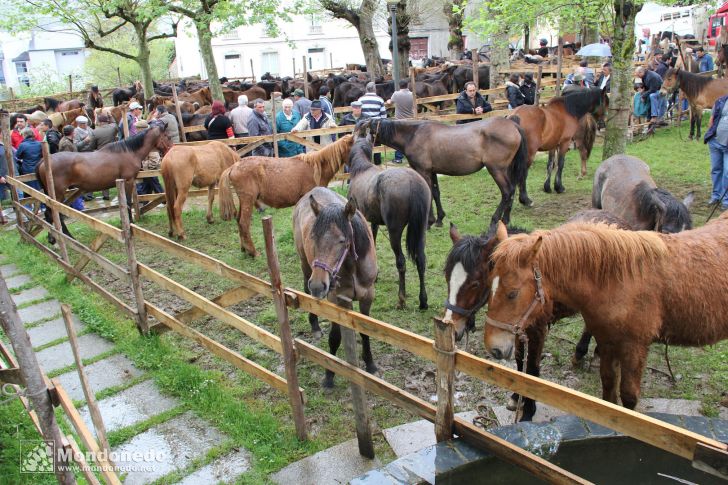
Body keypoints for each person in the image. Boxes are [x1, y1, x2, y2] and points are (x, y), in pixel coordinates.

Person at [704, 93, 728, 209]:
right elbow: (712, 119)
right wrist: (710, 134)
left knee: (727, 172)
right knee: (716, 169)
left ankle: (726, 200)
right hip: (715, 142)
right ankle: (716, 196)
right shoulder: (721, 101)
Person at [388, 79, 416, 162]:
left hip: (399, 120)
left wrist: (388, 101)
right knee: (411, 138)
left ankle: (398, 158)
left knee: (399, 139)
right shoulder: (412, 94)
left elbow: (390, 102)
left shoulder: (396, 94)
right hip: (410, 119)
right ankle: (412, 156)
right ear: (407, 85)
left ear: (399, 86)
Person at [359, 82, 387, 164]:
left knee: (364, 143)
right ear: (374, 89)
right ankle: (377, 162)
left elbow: (359, 114)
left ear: (366, 89)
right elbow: (384, 115)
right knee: (376, 143)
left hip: (364, 125)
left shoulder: (360, 99)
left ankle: (366, 161)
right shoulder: (379, 99)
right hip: (376, 125)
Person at [136, 120, 164, 195]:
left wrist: (143, 166)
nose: (136, 130)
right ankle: (145, 200)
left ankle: (163, 198)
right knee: (148, 185)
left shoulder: (149, 140)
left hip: (150, 167)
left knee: (154, 184)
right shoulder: (142, 139)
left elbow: (154, 159)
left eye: (137, 128)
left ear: (141, 129)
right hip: (146, 167)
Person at [15, 127, 43, 192]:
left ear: (24, 135)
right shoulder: (39, 143)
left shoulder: (23, 145)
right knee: (40, 187)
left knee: (31, 189)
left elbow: (17, 156)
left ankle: (33, 201)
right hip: (39, 168)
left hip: (27, 169)